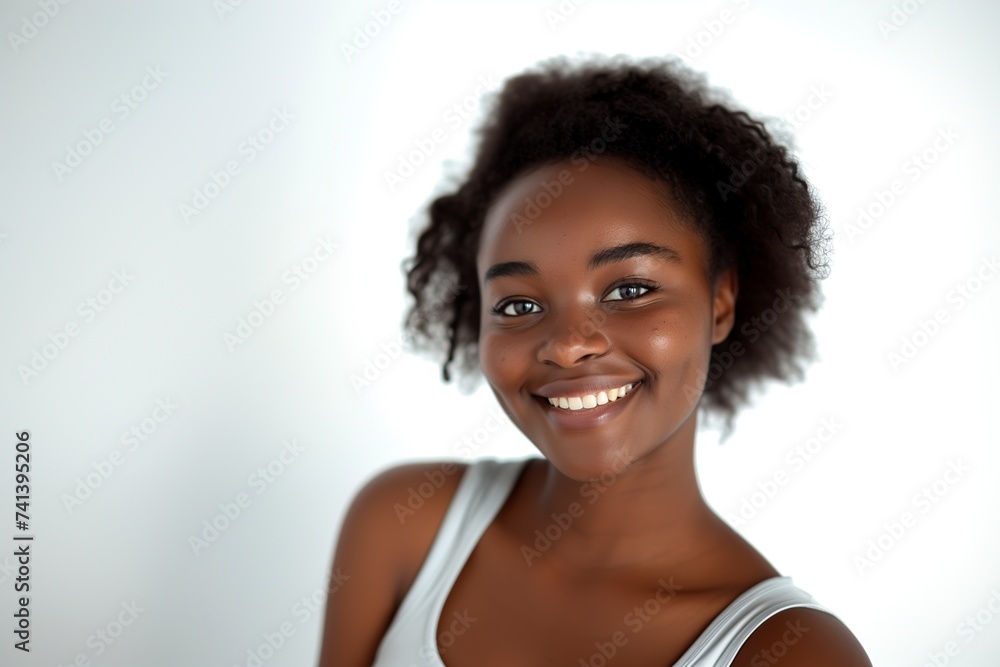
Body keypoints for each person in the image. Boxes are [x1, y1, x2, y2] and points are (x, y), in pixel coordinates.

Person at [318, 55, 873, 666]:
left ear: (720, 304)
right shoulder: (404, 524)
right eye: (520, 303)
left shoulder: (793, 654)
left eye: (629, 291)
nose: (566, 343)